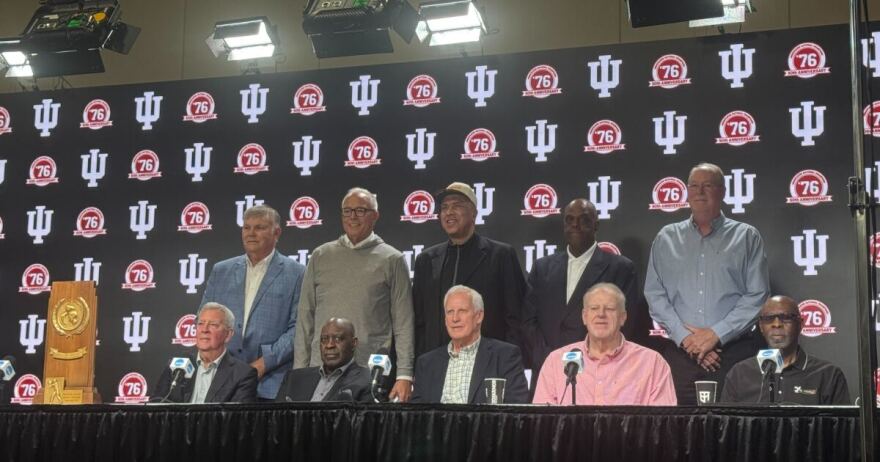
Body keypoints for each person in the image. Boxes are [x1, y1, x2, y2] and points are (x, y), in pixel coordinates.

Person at [644, 162, 769, 405]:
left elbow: (757, 296)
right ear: (687, 192)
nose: (700, 192)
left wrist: (716, 334)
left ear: (722, 192)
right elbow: (655, 295)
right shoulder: (665, 238)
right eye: (694, 186)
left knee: (732, 431)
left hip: (732, 355)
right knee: (678, 434)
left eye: (708, 186)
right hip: (680, 357)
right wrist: (686, 339)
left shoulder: (746, 237)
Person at [294, 187, 415, 402]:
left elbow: (403, 322)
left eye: (360, 210)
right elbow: (305, 318)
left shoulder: (392, 259)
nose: (353, 217)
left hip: (369, 374)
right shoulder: (320, 255)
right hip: (319, 372)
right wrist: (300, 371)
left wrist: (405, 374)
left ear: (375, 216)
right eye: (347, 211)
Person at [412, 182, 528, 362]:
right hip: (436, 364)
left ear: (473, 213)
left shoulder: (500, 255)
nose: (449, 212)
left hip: (487, 362)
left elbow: (515, 318)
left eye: (457, 205)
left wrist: (509, 362)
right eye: (444, 208)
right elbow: (418, 323)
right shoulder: (426, 260)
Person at [200, 205, 305, 400]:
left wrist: (263, 364)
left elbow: (298, 329)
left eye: (259, 227)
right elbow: (204, 320)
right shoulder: (221, 271)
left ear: (277, 233)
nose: (251, 233)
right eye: (246, 227)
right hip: (222, 380)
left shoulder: (297, 273)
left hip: (269, 382)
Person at [523, 198, 642, 369]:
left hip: (599, 370)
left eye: (584, 220)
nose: (575, 225)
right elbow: (528, 320)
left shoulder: (621, 268)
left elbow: (626, 323)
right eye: (569, 220)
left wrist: (597, 361)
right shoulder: (542, 267)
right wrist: (548, 359)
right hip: (547, 368)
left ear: (596, 225)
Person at [532, 283, 676, 406]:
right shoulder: (555, 362)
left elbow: (662, 426)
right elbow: (542, 424)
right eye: (594, 308)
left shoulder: (652, 364)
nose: (601, 314)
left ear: (623, 318)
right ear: (584, 317)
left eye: (610, 309)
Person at [721, 296, 850, 405]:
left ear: (800, 324)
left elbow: (842, 431)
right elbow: (728, 429)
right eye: (768, 318)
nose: (776, 324)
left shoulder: (828, 375)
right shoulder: (739, 374)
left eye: (786, 317)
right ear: (761, 326)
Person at [411, 285, 529, 404]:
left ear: (478, 316)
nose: (455, 318)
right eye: (450, 312)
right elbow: (416, 416)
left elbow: (517, 410)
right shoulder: (426, 364)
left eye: (462, 311)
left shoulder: (505, 357)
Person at [154, 303, 257, 403]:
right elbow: (156, 404)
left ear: (228, 335)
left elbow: (236, 418)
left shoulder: (242, 374)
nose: (204, 329)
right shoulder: (177, 365)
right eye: (200, 323)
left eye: (213, 325)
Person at [276, 318, 372, 403]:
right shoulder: (294, 378)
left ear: (353, 343)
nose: (329, 345)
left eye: (338, 339)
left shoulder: (368, 381)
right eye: (324, 339)